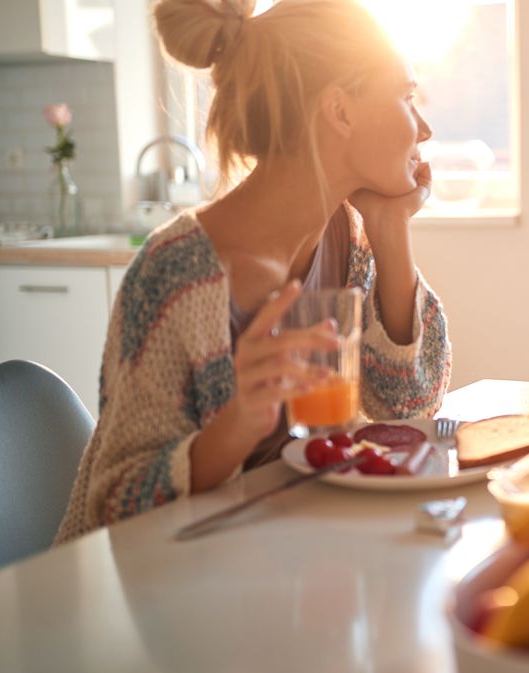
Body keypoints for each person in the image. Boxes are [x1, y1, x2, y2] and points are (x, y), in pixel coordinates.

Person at [56, 0, 451, 543]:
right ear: (340, 110)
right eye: (407, 98)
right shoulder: (176, 275)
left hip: (279, 560)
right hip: (164, 590)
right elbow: (116, 509)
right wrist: (240, 421)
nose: (424, 129)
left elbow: (410, 408)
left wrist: (390, 228)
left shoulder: (345, 237)